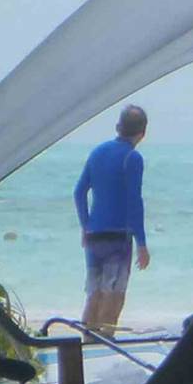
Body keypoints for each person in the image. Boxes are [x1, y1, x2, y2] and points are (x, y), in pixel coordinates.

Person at [74, 104, 150, 333]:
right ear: (142, 133)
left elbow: (79, 192)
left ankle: (88, 341)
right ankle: (106, 340)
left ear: (118, 127)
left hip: (94, 234)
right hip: (118, 237)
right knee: (114, 294)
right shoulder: (132, 158)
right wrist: (142, 243)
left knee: (94, 293)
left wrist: (85, 226)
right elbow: (134, 202)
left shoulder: (97, 152)